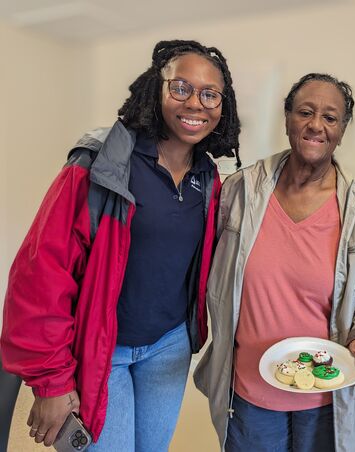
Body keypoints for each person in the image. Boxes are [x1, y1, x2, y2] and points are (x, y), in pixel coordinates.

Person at [1, 39, 240, 451]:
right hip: (101, 350)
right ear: (156, 88)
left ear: (223, 106)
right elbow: (41, 274)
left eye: (209, 94)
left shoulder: (209, 178)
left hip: (169, 347)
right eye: (180, 87)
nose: (195, 103)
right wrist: (51, 381)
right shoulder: (102, 163)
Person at [194, 73, 355, 452]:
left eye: (330, 118)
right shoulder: (242, 189)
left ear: (342, 129)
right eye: (305, 112)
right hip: (249, 397)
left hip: (329, 401)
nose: (316, 125)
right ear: (286, 120)